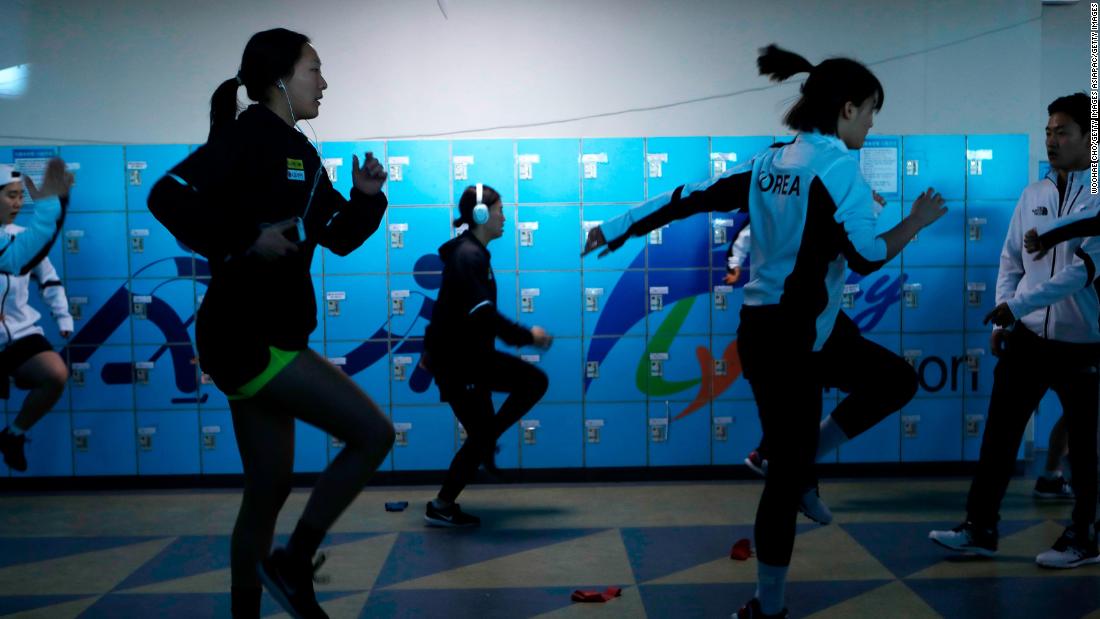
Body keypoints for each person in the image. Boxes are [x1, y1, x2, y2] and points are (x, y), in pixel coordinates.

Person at [583, 45, 945, 619]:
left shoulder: (770, 161)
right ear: (847, 109)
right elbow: (871, 255)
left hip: (785, 330)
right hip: (798, 339)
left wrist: (614, 226)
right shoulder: (838, 167)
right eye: (873, 110)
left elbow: (685, 198)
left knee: (893, 381)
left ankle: (799, 465)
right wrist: (917, 223)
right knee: (785, 480)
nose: (874, 124)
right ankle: (766, 604)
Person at [147, 28, 394, 619]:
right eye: (315, 70)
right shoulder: (248, 136)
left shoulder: (301, 152)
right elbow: (165, 196)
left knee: (268, 488)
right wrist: (245, 240)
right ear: (281, 78)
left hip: (263, 333)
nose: (324, 83)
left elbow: (336, 238)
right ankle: (292, 560)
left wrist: (366, 197)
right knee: (373, 434)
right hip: (250, 336)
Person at [930, 93, 1100, 569]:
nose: (1051, 139)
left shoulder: (1097, 199)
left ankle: (1086, 535)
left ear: (1089, 138)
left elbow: (1081, 271)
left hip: (1081, 338)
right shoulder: (1033, 195)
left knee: (1085, 448)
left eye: (1062, 131)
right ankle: (980, 527)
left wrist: (1014, 305)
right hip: (1026, 337)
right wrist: (1005, 308)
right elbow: (1011, 260)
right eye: (1048, 131)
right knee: (1000, 436)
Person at [422, 183, 552, 527]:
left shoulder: (472, 254)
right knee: (531, 385)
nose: (504, 217)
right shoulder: (469, 256)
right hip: (462, 365)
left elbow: (445, 308)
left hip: (468, 360)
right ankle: (442, 502)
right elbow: (482, 313)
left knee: (483, 435)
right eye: (499, 210)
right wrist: (529, 336)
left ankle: (445, 500)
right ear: (481, 214)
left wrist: (427, 349)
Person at [0, 163, 73, 472]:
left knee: (55, 375)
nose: (17, 203)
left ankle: (14, 434)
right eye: (10, 196)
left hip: (19, 331)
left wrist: (63, 317)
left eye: (20, 197)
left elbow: (49, 278)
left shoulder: (22, 238)